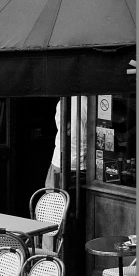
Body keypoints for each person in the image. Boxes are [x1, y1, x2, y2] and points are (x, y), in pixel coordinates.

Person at [43, 96, 87, 250]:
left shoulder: (71, 101)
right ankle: (52, 258)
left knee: (51, 217)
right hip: (71, 164)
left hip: (65, 164)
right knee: (54, 217)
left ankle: (50, 258)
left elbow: (69, 133)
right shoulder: (81, 102)